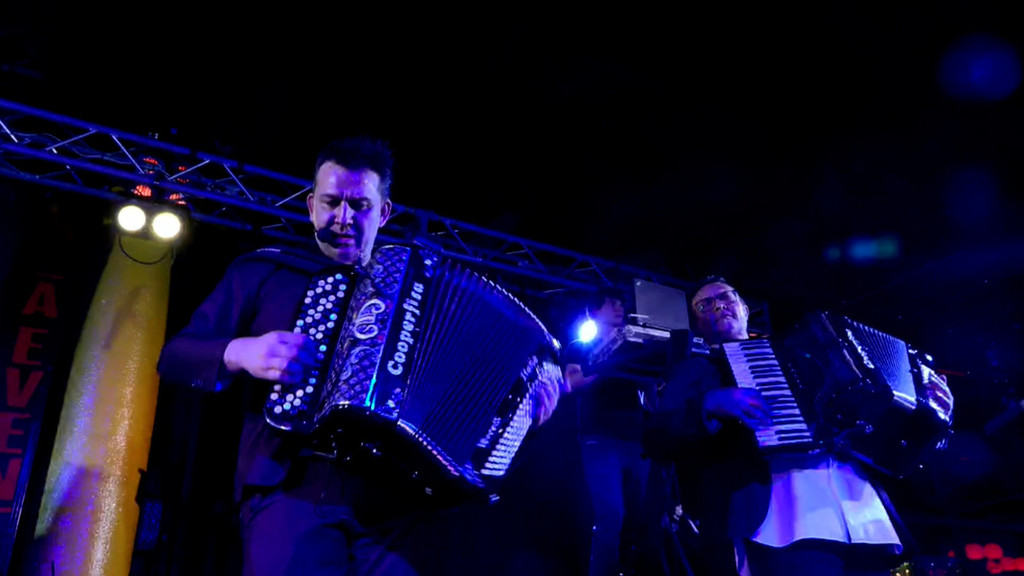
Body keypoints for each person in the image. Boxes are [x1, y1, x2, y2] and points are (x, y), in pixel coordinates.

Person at [156, 136, 562, 576]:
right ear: (311, 206)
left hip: (396, 503)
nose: (344, 218)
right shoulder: (267, 269)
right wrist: (241, 351)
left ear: (383, 212)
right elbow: (175, 357)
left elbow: (470, 396)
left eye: (360, 206)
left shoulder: (417, 291)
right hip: (291, 487)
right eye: (331, 202)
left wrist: (522, 410)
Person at [650, 276, 954, 576]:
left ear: (744, 307)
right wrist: (711, 402)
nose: (718, 306)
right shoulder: (699, 367)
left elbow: (878, 425)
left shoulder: (799, 348)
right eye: (705, 305)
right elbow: (656, 436)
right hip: (787, 518)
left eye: (725, 297)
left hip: (861, 514)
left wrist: (931, 411)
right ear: (697, 324)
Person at [562, 287, 679, 576]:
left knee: (644, 516)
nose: (619, 308)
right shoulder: (581, 346)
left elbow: (650, 399)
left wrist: (658, 386)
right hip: (599, 440)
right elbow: (572, 384)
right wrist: (608, 357)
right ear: (593, 311)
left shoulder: (634, 348)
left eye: (621, 303)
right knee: (611, 516)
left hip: (637, 441)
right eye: (611, 303)